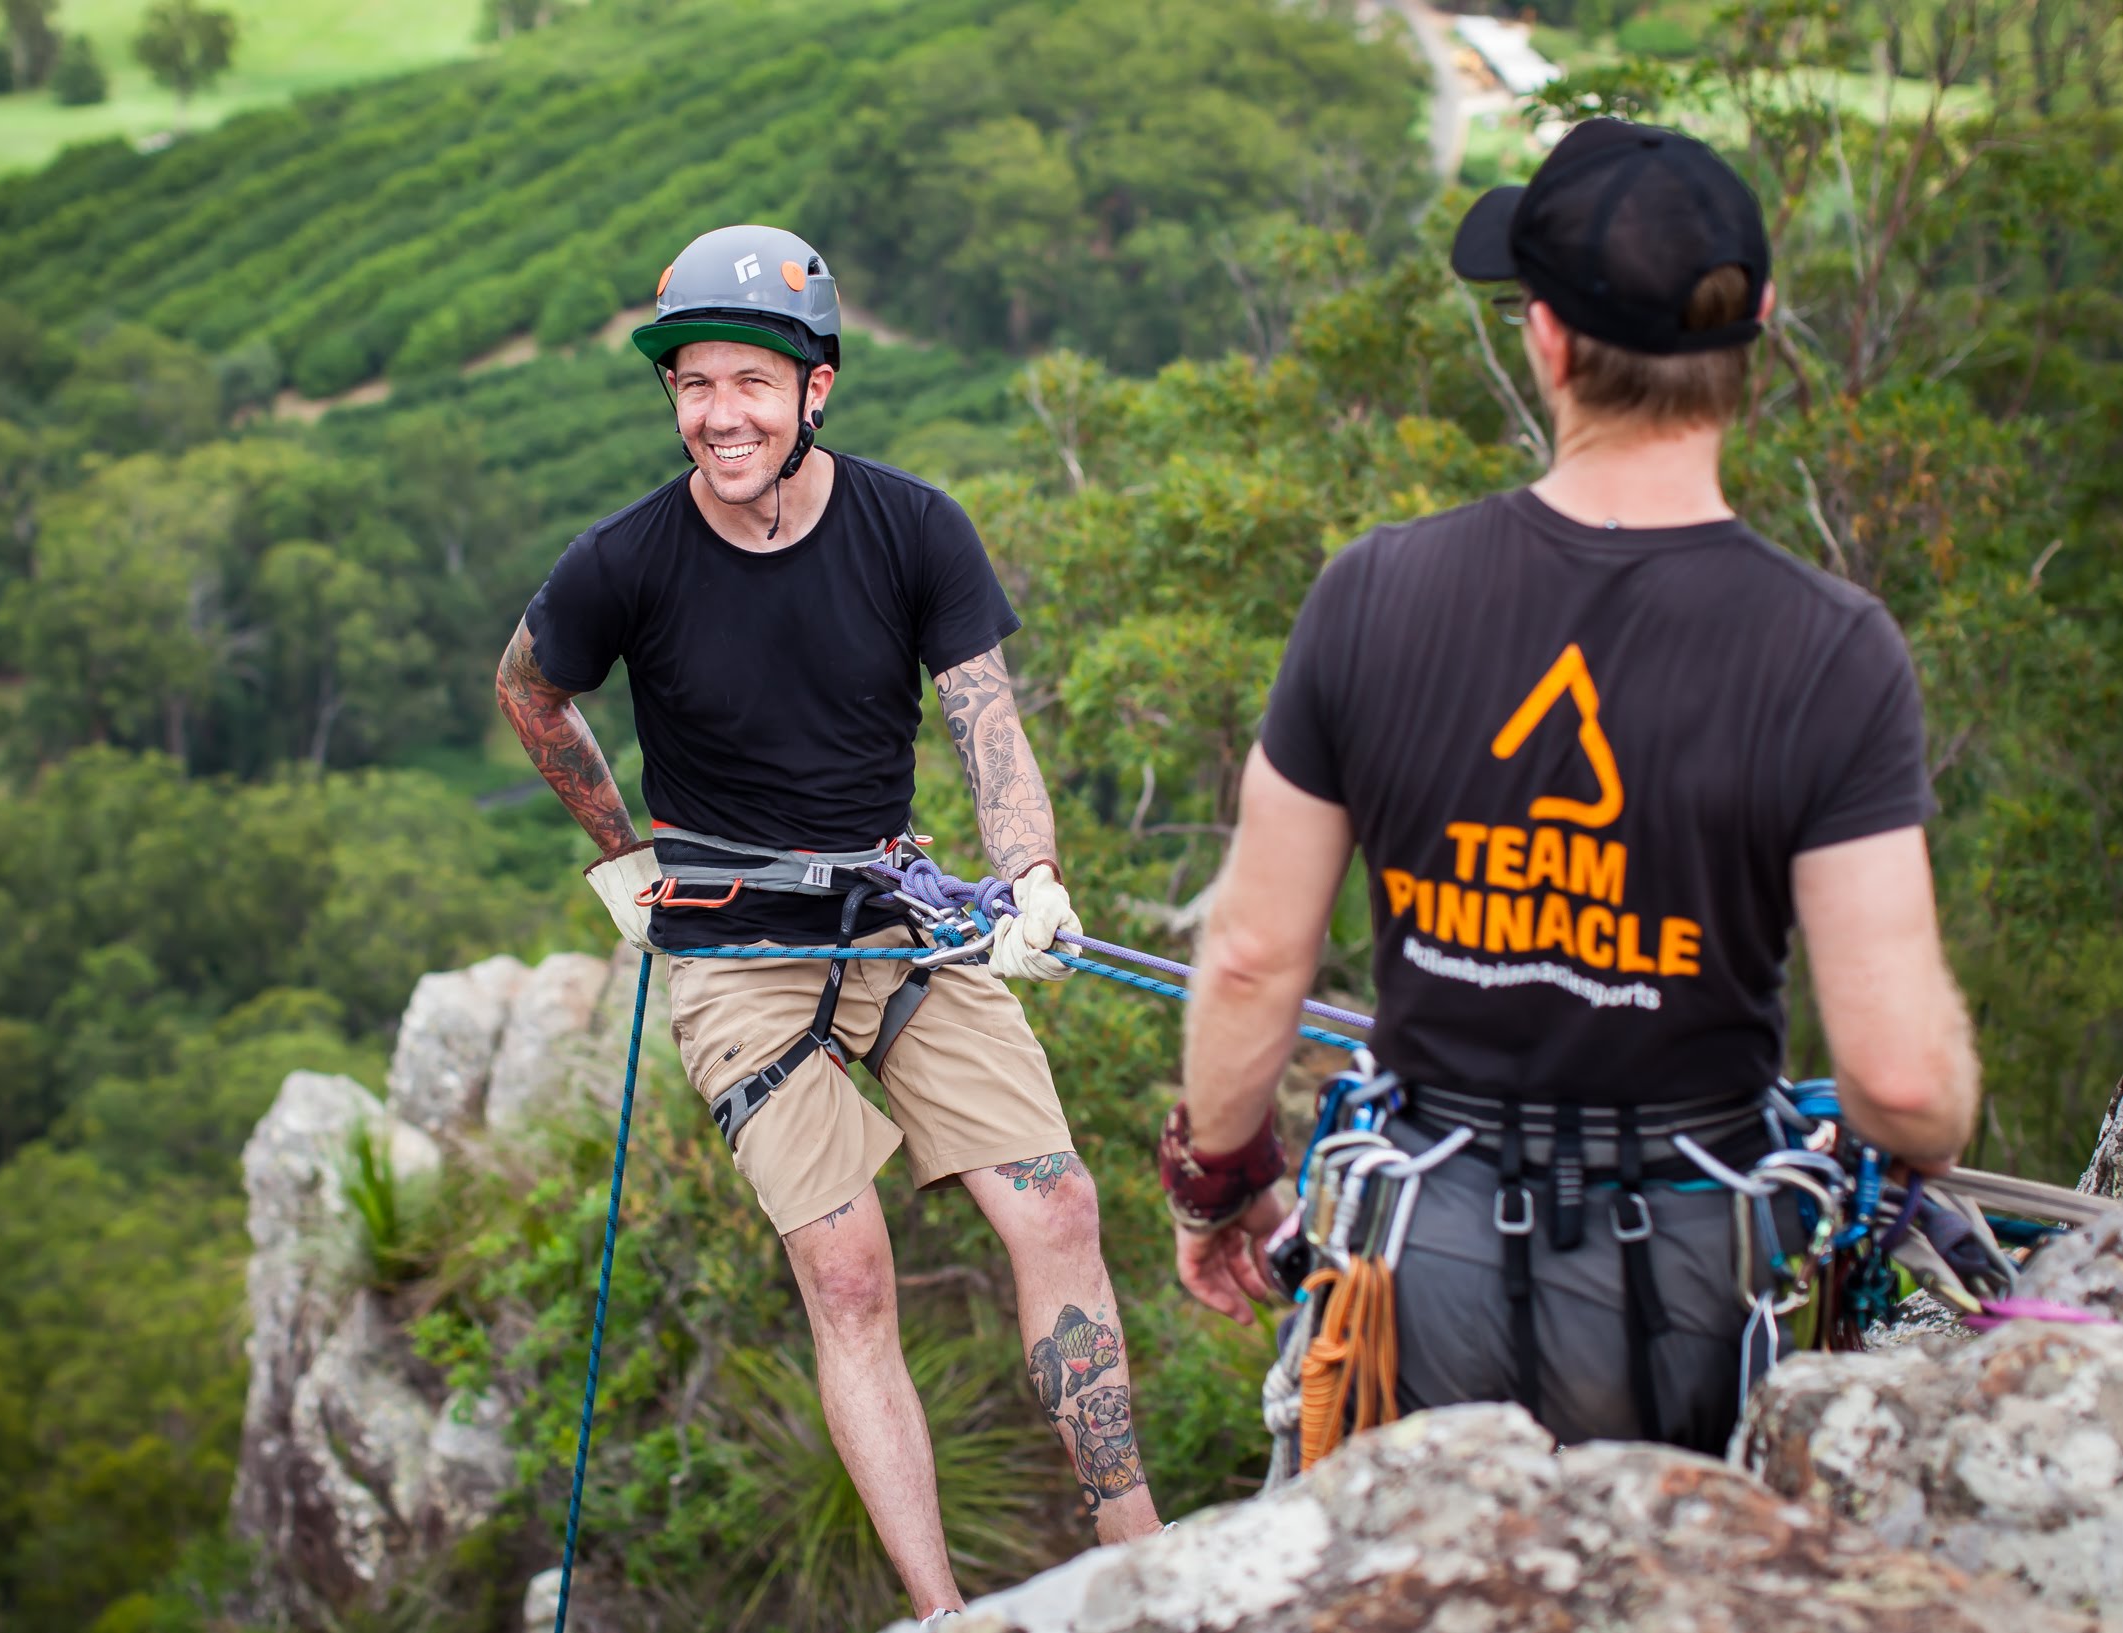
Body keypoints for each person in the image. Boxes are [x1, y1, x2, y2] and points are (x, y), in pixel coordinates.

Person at [1164, 120, 1980, 1453]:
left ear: (1543, 337)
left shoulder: (1374, 593)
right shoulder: (1830, 649)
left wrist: (1217, 1181)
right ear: (1754, 323)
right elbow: (1897, 1079)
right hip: (1697, 1276)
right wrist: (1925, 1111)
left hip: (1412, 1259)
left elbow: (1253, 956)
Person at [497, 224, 1163, 1621]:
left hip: (891, 908)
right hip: (734, 943)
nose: (717, 412)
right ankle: (942, 1611)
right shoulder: (623, 560)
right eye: (692, 383)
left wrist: (1028, 874)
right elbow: (529, 687)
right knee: (847, 1267)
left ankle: (1143, 1562)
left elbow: (986, 725)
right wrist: (625, 852)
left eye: (750, 380)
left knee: (1055, 1204)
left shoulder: (909, 527)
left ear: (819, 388)